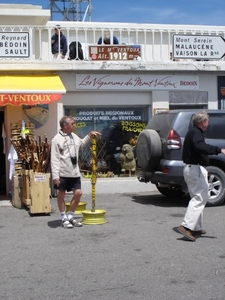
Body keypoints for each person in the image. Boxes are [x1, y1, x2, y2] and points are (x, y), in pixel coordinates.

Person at [178, 110, 225, 241]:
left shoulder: (195, 132)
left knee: (198, 196)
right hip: (193, 168)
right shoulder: (195, 133)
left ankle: (195, 227)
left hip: (194, 168)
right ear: (202, 122)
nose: (208, 123)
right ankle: (186, 226)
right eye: (207, 121)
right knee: (199, 197)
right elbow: (200, 147)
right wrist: (219, 150)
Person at [51, 116, 102, 228]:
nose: (74, 125)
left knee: (78, 193)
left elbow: (82, 143)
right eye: (72, 124)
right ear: (65, 126)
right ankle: (63, 217)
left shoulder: (74, 136)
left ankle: (70, 216)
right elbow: (54, 159)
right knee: (61, 194)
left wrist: (89, 135)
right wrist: (55, 176)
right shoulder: (56, 140)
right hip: (62, 173)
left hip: (74, 172)